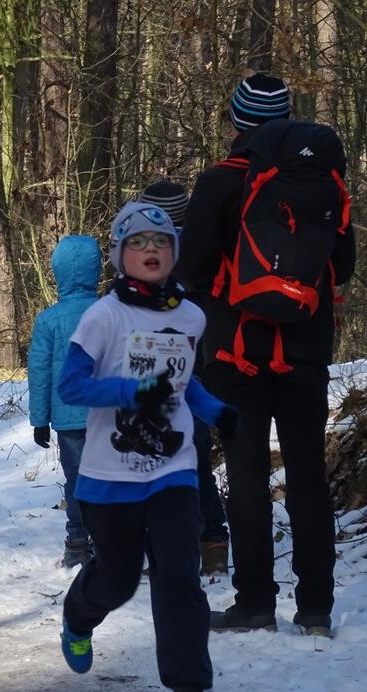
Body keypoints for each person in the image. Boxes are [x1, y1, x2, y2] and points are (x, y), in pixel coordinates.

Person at [179, 74, 356, 636]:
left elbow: (194, 272)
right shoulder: (324, 183)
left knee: (248, 475)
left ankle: (255, 605)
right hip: (305, 352)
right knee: (306, 475)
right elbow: (342, 267)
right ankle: (317, 610)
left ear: (236, 122)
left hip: (234, 357)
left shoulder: (216, 185)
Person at [56, 202, 236, 692]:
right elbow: (71, 387)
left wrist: (215, 412)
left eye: (161, 242)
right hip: (109, 474)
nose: (151, 250)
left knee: (179, 581)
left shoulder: (190, 317)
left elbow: (185, 384)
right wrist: (129, 391)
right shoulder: (103, 316)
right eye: (138, 243)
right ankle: (80, 614)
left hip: (174, 469)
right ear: (120, 256)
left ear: (174, 253)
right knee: (117, 579)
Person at [140, 180, 230, 576]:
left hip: (159, 376)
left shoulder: (145, 259)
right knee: (195, 458)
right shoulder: (202, 253)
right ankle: (213, 541)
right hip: (200, 369)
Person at [27, 235, 100, 568]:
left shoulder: (49, 320)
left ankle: (77, 540)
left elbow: (39, 372)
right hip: (109, 414)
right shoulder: (112, 313)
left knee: (77, 480)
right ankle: (109, 540)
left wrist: (40, 419)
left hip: (69, 418)